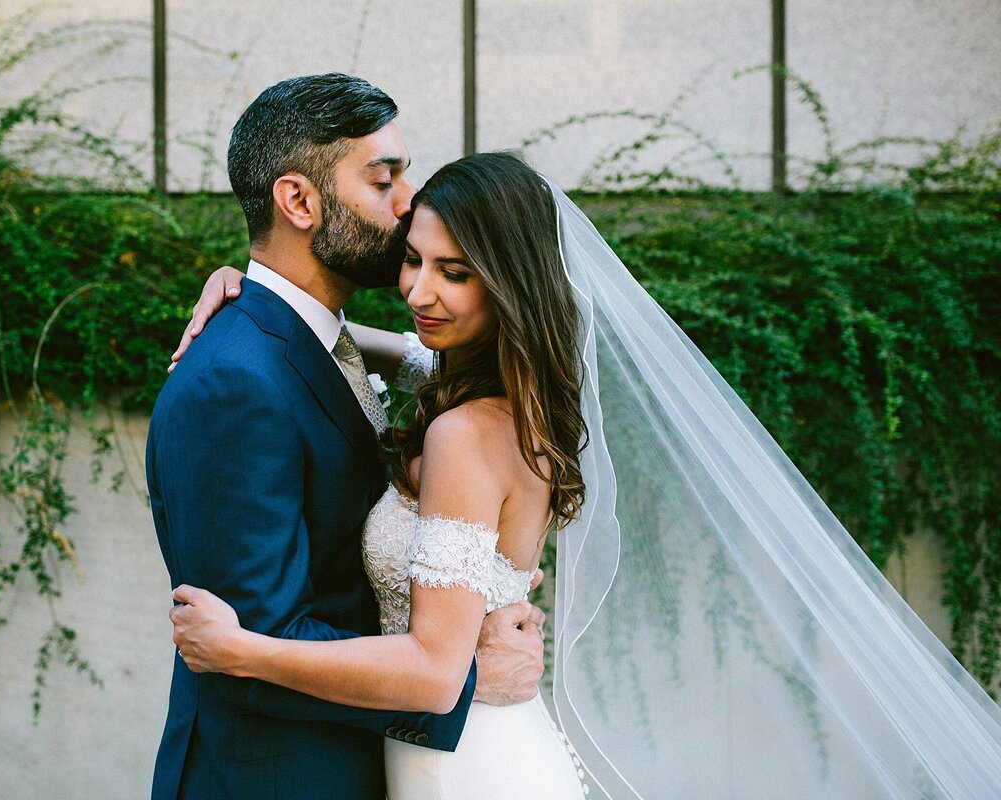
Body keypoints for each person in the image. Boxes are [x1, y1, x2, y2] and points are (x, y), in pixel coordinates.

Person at [171, 150, 1001, 798]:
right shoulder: (489, 387)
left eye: (455, 273)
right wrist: (258, 296)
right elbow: (365, 347)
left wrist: (242, 650)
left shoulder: (464, 432)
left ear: (511, 284)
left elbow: (430, 671)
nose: (419, 291)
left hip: (466, 772)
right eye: (414, 259)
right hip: (460, 751)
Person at [145, 76, 545, 800]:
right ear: (299, 201)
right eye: (384, 179)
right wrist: (463, 674)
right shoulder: (235, 384)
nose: (409, 204)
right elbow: (245, 645)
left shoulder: (337, 347)